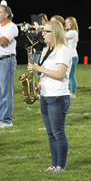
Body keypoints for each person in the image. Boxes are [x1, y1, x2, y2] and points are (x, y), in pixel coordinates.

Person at [28, 20, 72, 172]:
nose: (43, 34)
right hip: (46, 95)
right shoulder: (48, 49)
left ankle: (61, 165)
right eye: (43, 31)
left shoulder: (63, 50)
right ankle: (54, 165)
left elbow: (60, 74)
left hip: (58, 96)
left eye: (47, 31)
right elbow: (46, 72)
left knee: (58, 132)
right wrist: (39, 83)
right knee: (50, 133)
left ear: (56, 33)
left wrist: (38, 68)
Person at [65, 17, 79, 98]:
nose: (66, 24)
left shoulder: (73, 32)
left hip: (72, 56)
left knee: (71, 75)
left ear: (73, 24)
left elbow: (61, 35)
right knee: (68, 75)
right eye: (66, 23)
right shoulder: (70, 32)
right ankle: (69, 91)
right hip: (69, 55)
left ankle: (72, 92)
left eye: (68, 23)